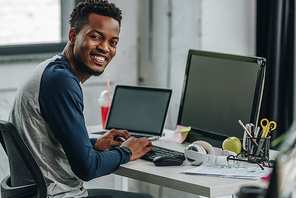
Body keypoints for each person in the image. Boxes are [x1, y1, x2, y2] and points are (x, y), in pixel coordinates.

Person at [9, 0, 154, 197]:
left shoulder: (51, 70)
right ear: (73, 35)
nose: (104, 48)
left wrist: (92, 143)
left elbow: (48, 139)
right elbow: (87, 168)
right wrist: (127, 152)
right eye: (95, 37)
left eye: (113, 42)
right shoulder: (61, 82)